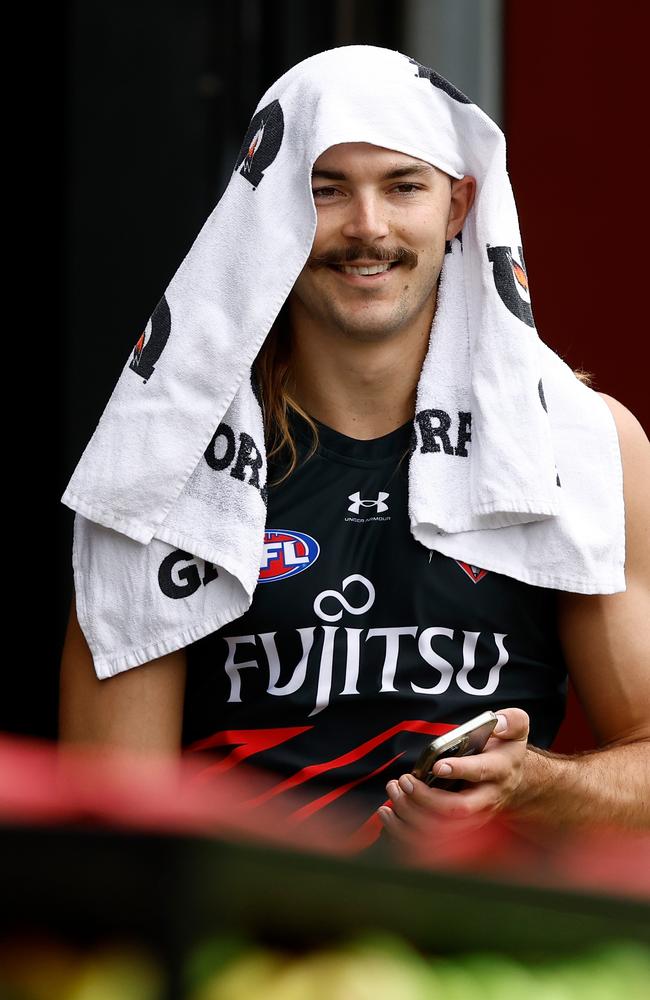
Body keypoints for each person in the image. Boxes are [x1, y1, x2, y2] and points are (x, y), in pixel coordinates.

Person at [60, 46, 650, 849]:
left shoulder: (584, 445)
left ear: (457, 207)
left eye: (403, 186)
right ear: (269, 211)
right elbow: (106, 820)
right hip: (243, 958)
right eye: (326, 189)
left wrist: (535, 783)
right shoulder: (162, 458)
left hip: (485, 960)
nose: (367, 228)